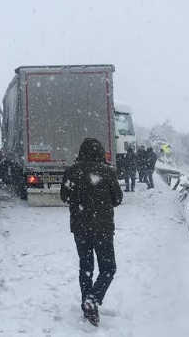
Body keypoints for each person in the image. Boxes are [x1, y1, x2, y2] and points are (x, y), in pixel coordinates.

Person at [60, 138, 123, 326]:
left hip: (80, 228)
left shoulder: (72, 171)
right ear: (101, 152)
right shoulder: (108, 172)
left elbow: (64, 196)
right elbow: (118, 198)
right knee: (108, 268)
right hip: (103, 228)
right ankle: (93, 299)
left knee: (86, 267)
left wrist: (80, 200)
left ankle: (87, 304)